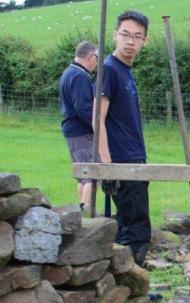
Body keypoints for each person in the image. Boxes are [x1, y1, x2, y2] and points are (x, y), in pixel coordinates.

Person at [96, 10, 150, 266]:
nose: (131, 41)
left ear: (144, 41)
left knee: (128, 226)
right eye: (126, 34)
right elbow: (97, 119)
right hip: (122, 162)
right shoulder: (109, 69)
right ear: (115, 35)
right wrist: (108, 167)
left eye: (137, 36)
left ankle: (125, 288)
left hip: (135, 159)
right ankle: (131, 291)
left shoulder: (125, 71)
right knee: (136, 232)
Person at [59, 40, 98, 213]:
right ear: (90, 56)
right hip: (82, 132)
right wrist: (98, 127)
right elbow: (84, 108)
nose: (98, 62)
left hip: (72, 131)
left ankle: (82, 210)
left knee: (82, 175)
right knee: (91, 174)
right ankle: (85, 211)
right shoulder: (80, 76)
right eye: (97, 57)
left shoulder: (68, 72)